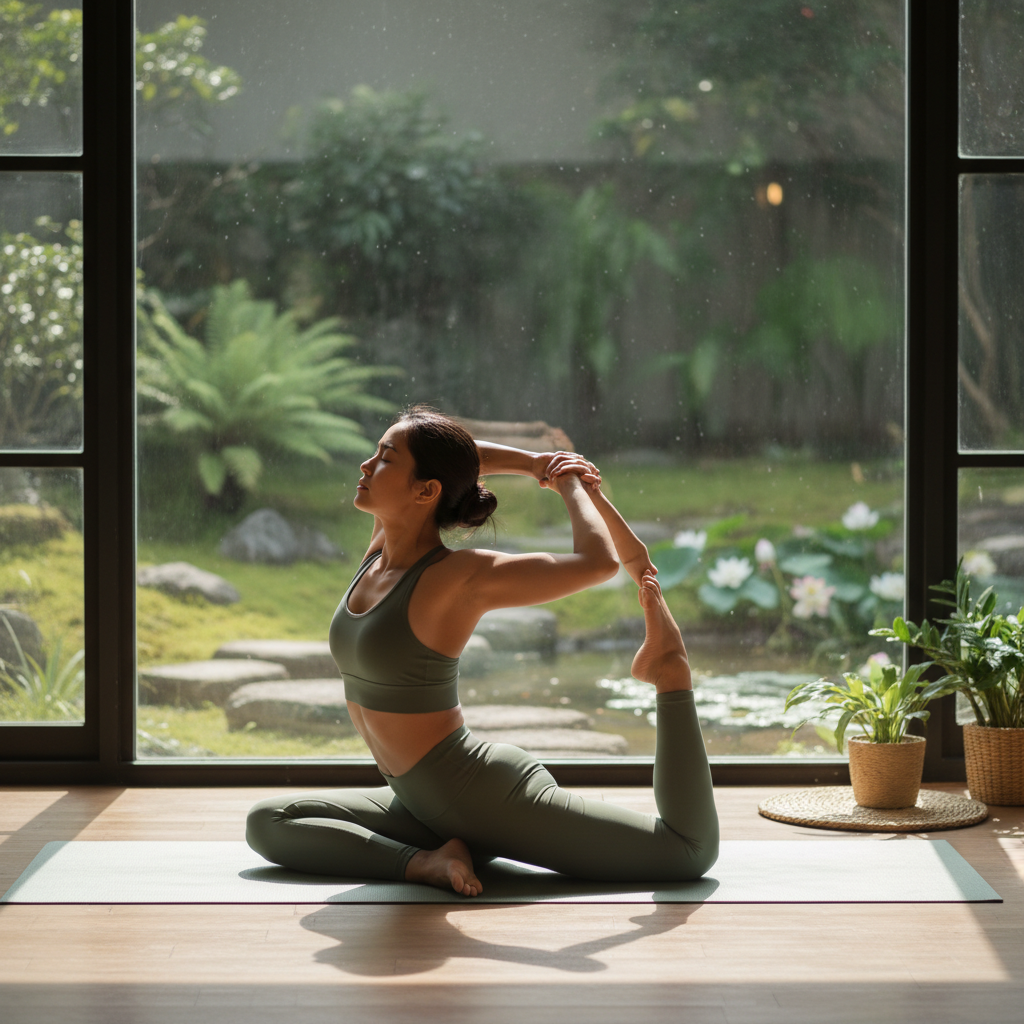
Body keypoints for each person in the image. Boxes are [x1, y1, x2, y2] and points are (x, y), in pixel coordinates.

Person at [246, 407, 718, 896]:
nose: (365, 466)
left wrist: (567, 480)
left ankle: (670, 670)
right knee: (269, 821)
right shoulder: (380, 554)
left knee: (686, 851)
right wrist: (535, 462)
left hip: (478, 796)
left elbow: (597, 564)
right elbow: (459, 461)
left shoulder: (460, 576)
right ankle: (431, 859)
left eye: (385, 458)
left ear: (425, 491)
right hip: (418, 802)